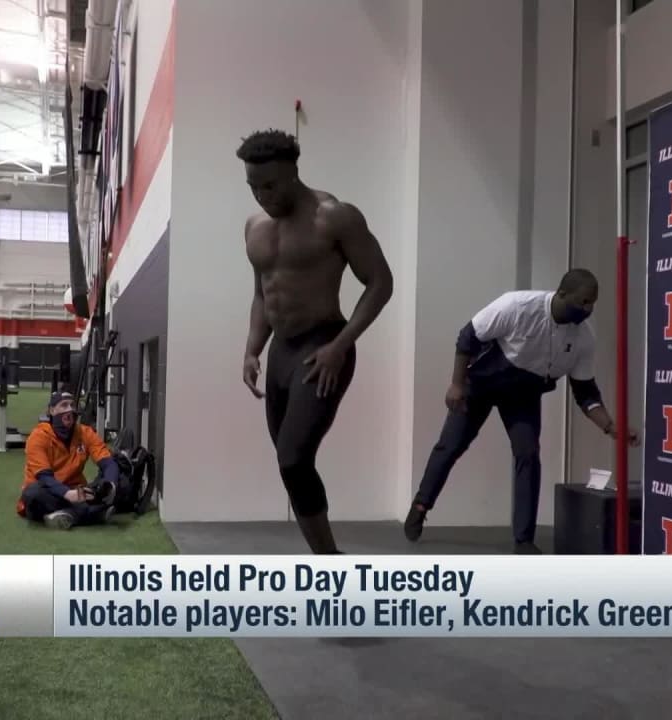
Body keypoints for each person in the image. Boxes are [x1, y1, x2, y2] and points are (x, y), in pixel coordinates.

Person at [405, 269, 642, 553]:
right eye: (583, 302)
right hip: (483, 382)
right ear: (562, 294)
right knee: (451, 446)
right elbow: (467, 337)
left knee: (528, 454)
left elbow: (585, 393)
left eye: (592, 302)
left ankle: (524, 540)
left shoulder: (583, 338)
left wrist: (610, 427)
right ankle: (420, 505)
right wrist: (456, 384)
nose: (588, 309)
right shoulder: (517, 306)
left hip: (524, 393)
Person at [237, 129, 394, 555]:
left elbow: (380, 283)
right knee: (290, 465)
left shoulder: (334, 216)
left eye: (269, 185)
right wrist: (252, 349)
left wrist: (341, 344)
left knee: (292, 459)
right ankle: (325, 560)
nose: (261, 196)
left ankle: (329, 561)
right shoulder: (254, 228)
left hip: (323, 345)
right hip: (280, 354)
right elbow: (262, 294)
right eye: (253, 186)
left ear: (293, 173)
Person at [17, 392, 120, 529]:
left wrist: (110, 485)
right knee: (32, 494)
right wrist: (67, 494)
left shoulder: (85, 432)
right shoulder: (38, 437)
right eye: (64, 405)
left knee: (119, 481)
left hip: (78, 491)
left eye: (72, 405)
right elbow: (44, 477)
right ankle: (89, 514)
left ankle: (67, 515)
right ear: (52, 411)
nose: (69, 409)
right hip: (48, 491)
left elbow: (108, 462)